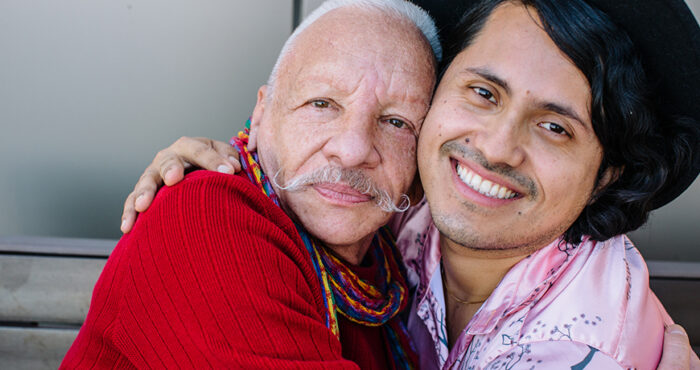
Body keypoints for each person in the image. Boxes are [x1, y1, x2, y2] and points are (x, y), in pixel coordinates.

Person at [120, 0, 700, 368]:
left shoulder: (585, 352)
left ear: (608, 174)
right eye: (482, 92)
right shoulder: (393, 211)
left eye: (554, 126)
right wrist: (229, 160)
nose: (495, 148)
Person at [62, 0, 440, 368]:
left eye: (396, 122)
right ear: (260, 116)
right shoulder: (203, 213)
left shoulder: (390, 263)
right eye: (321, 103)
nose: (353, 150)